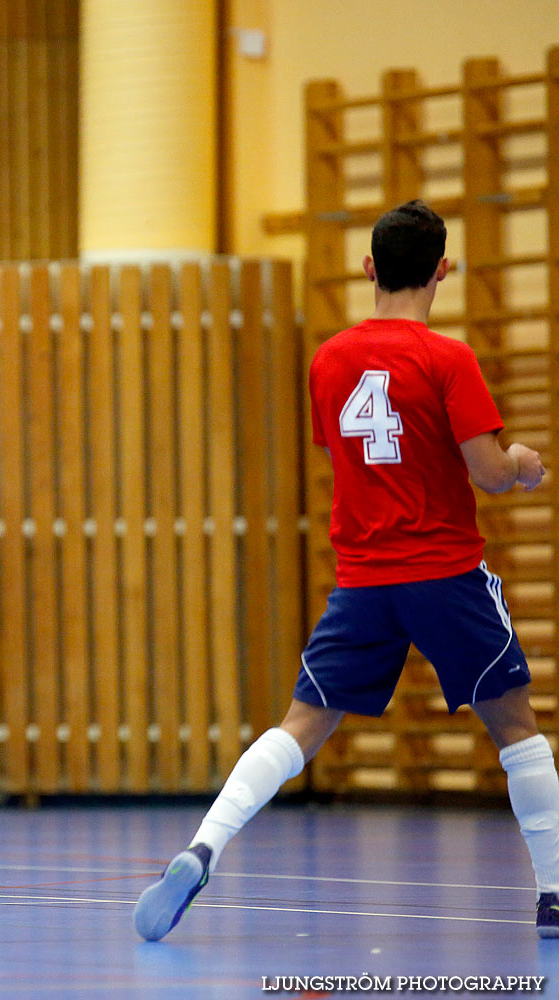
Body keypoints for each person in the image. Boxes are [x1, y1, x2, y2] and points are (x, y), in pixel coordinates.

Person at [133, 199, 557, 941]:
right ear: (442, 271)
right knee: (516, 727)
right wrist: (520, 464)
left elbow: (347, 456)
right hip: (445, 573)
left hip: (363, 580)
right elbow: (487, 473)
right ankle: (554, 894)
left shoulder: (329, 360)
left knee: (302, 724)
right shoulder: (448, 358)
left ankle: (204, 844)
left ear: (369, 269)